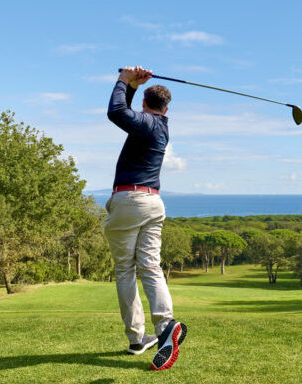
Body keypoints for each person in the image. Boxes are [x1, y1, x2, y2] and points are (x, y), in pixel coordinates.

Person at [104, 66, 187, 371]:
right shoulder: (160, 124)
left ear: (145, 105)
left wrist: (124, 81)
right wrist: (135, 86)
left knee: (125, 269)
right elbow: (127, 112)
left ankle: (137, 337)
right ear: (167, 108)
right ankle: (165, 327)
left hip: (129, 201)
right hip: (153, 202)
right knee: (150, 266)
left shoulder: (148, 123)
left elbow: (116, 112)